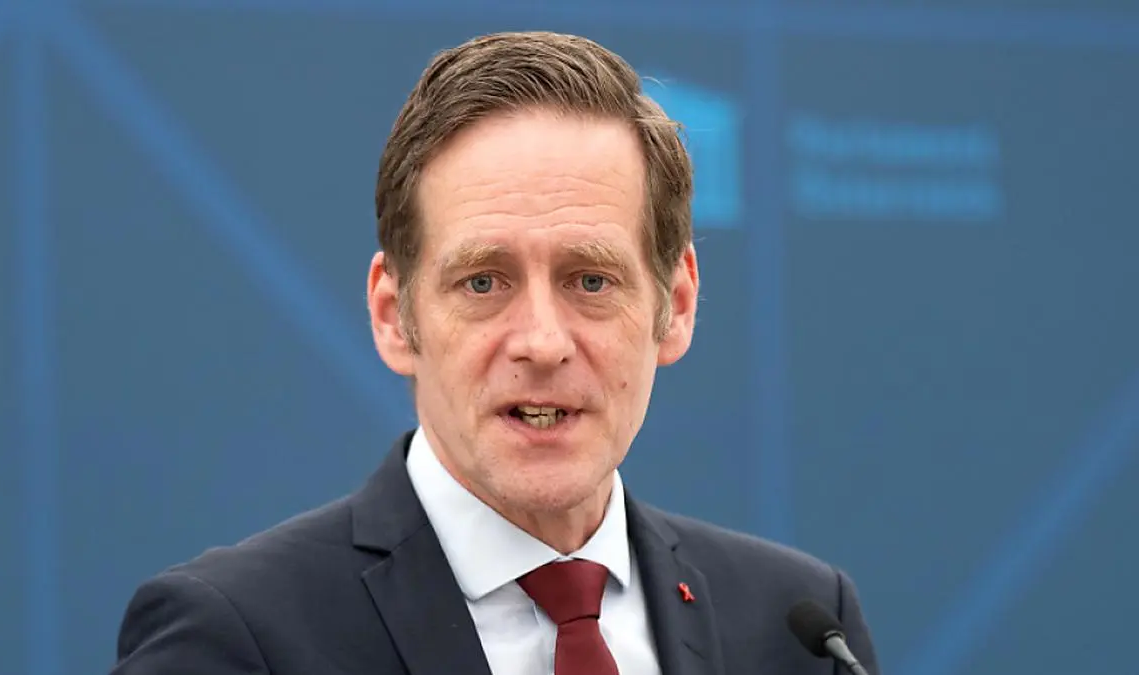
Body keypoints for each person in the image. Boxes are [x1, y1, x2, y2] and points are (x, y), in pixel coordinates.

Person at [109, 30, 880, 675]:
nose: (542, 341)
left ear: (675, 305)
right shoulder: (235, 636)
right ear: (394, 316)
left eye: (590, 279)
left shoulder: (803, 631)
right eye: (483, 281)